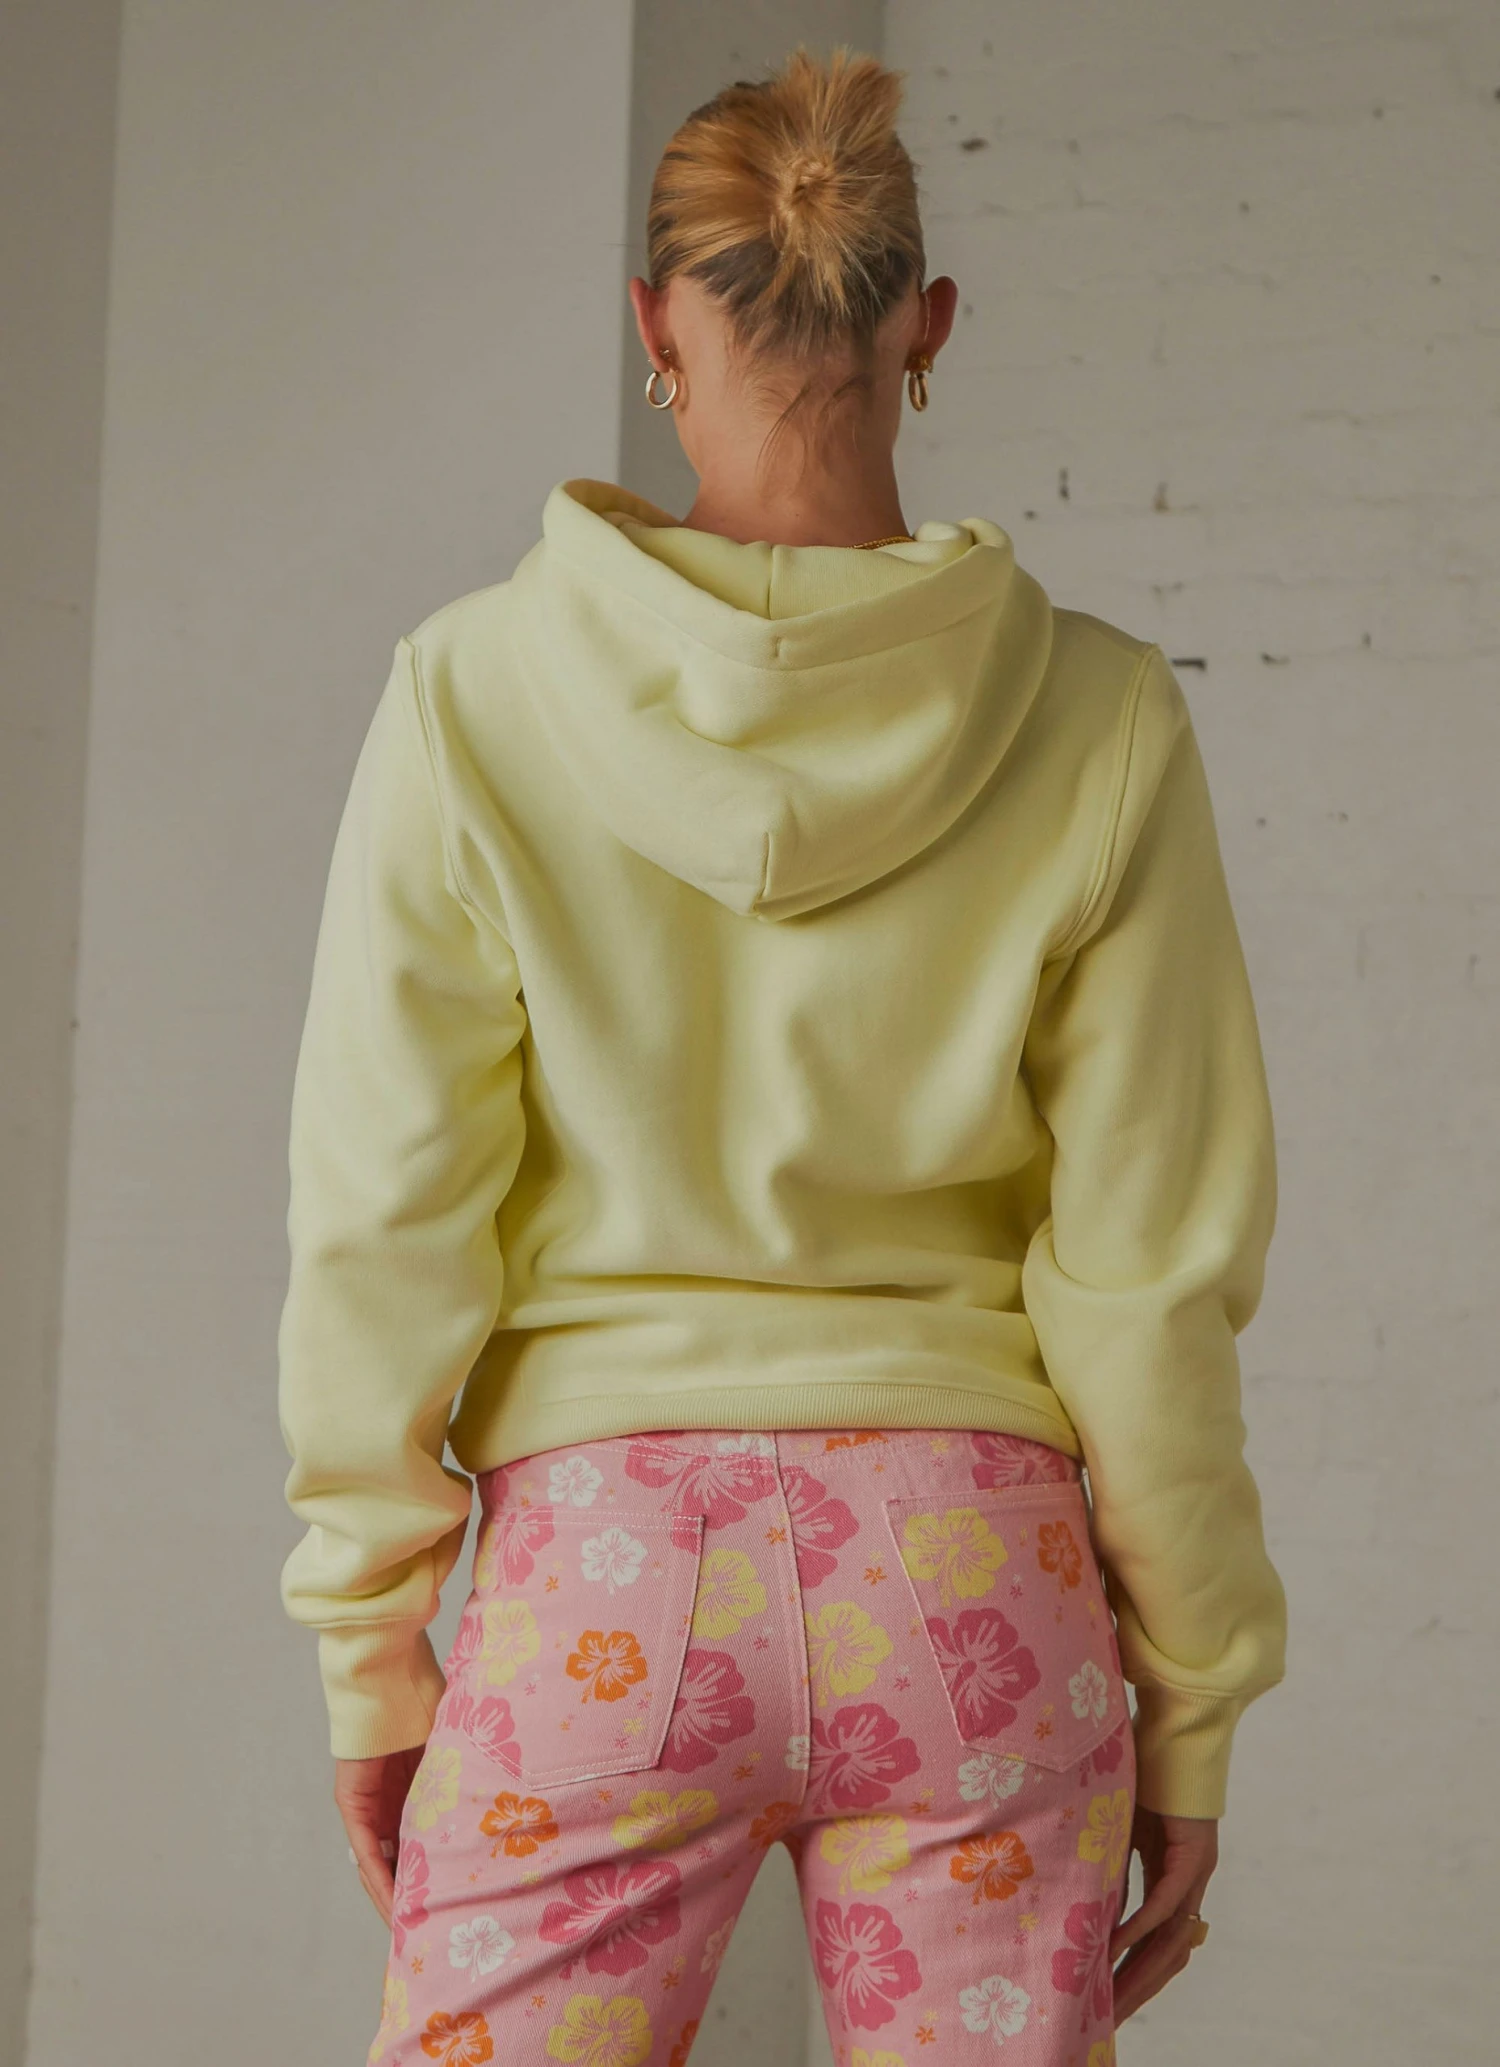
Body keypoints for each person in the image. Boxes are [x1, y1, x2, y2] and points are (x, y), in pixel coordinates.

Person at [276, 43, 1286, 2067]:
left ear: (654, 327)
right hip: (974, 1576)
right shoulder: (1097, 716)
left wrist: (372, 1645)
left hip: (602, 1574)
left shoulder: (473, 693)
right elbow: (1152, 1272)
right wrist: (1192, 1697)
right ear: (928, 324)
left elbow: (387, 1211)